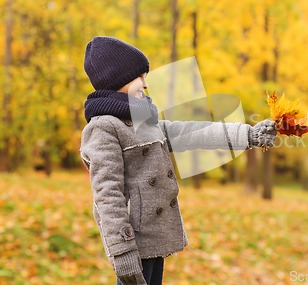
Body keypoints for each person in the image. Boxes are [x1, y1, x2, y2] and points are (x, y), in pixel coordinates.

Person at [79, 36, 276, 285]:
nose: (145, 84)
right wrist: (122, 250)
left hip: (154, 237)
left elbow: (191, 133)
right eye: (139, 76)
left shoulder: (142, 118)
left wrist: (249, 134)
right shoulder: (104, 127)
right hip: (133, 242)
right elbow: (107, 195)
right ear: (116, 79)